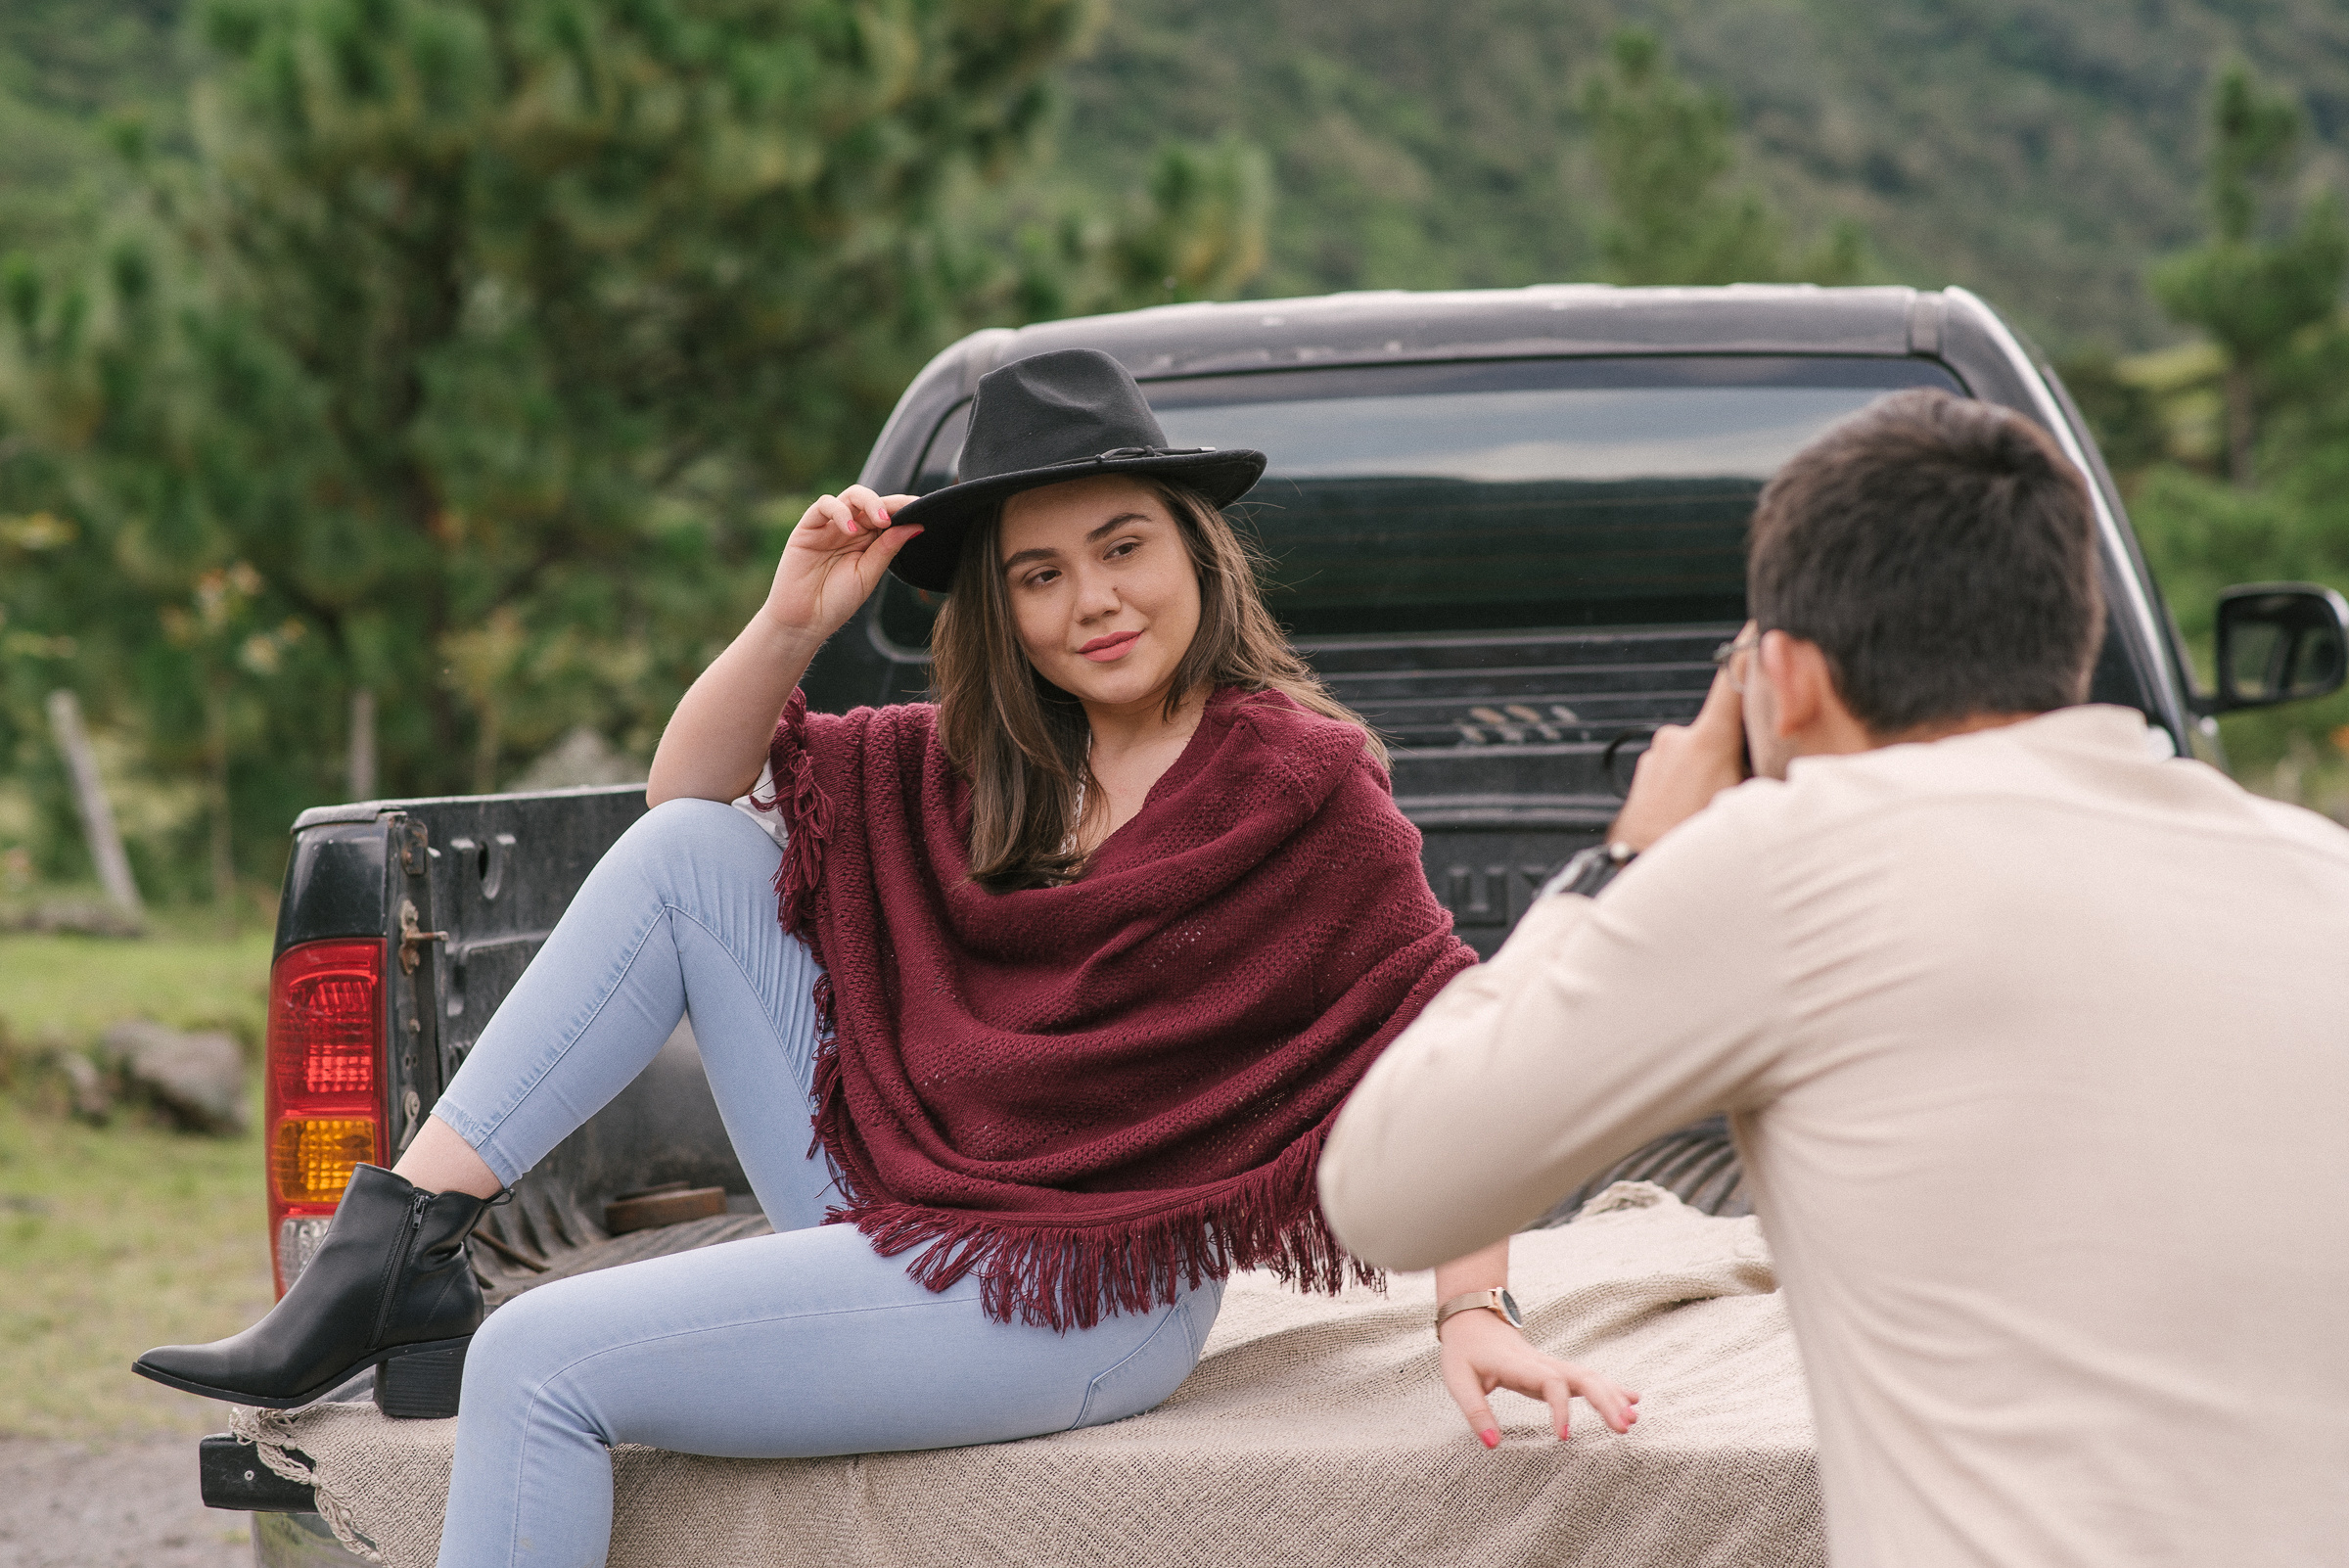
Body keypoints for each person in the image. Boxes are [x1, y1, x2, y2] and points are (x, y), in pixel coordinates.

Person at [136, 349, 1636, 1568]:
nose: (1092, 599)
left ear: (1197, 546)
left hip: (1084, 1288)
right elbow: (679, 798)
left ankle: (397, 1279)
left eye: (1123, 546)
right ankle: (399, 1242)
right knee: (689, 853)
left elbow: (1455, 1038)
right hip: (918, 1194)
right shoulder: (980, 761)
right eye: (1039, 573)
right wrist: (790, 620)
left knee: (537, 1361)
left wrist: (1471, 1307)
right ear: (1002, 607)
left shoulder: (1300, 783)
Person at [1317, 389, 2349, 1568]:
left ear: (1788, 677)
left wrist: (1631, 858)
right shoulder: (2321, 870)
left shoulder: (1793, 862)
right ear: (2070, 636)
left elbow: (1390, 1191)